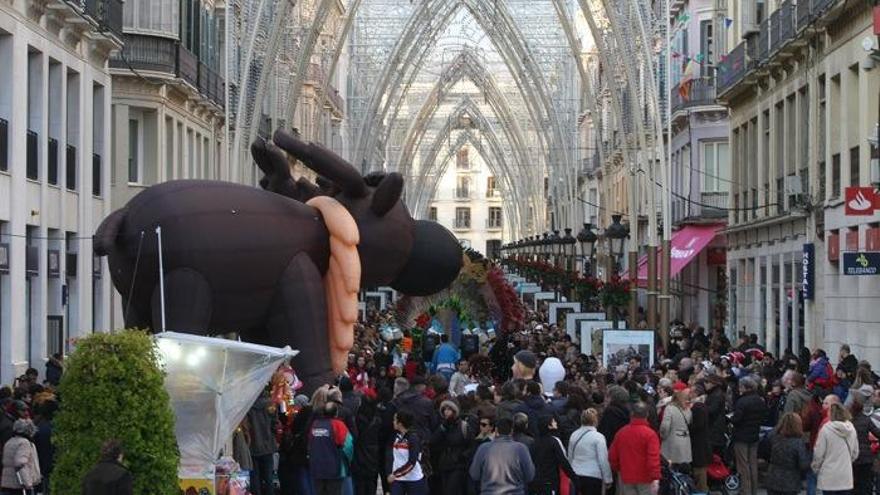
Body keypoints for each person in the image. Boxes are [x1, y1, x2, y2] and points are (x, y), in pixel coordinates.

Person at [468, 417, 535, 495]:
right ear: (511, 431)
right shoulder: (521, 448)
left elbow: (474, 474)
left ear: (496, 430)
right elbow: (530, 476)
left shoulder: (484, 448)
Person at [609, 402, 661, 495]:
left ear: (631, 414)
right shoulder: (650, 434)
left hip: (626, 475)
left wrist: (618, 469)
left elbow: (612, 456)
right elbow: (653, 457)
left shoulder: (621, 432)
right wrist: (655, 476)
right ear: (647, 414)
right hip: (645, 477)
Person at [811, 403, 859, 495]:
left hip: (828, 474)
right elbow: (855, 452)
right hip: (845, 474)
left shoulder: (826, 429)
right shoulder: (851, 429)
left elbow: (819, 453)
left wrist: (816, 467)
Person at [308, 402, 355, 495]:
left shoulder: (315, 424)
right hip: (334, 469)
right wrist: (348, 461)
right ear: (336, 413)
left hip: (317, 468)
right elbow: (348, 446)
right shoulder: (338, 425)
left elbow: (309, 443)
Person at [731, 377, 765, 495]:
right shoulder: (759, 400)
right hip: (754, 434)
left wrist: (731, 418)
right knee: (753, 464)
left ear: (746, 388)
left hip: (741, 436)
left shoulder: (742, 401)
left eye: (741, 386)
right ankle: (753, 490)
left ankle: (746, 491)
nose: (739, 389)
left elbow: (736, 419)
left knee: (743, 466)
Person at [430, 400, 472, 495]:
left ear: (455, 411)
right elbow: (432, 441)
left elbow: (471, 445)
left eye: (449, 409)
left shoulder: (463, 426)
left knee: (451, 490)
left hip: (458, 464)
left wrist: (463, 456)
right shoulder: (442, 426)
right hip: (444, 463)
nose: (446, 411)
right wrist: (442, 428)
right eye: (444, 409)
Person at [568, 408, 612, 495]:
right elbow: (603, 460)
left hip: (576, 473)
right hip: (593, 475)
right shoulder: (598, 437)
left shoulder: (574, 435)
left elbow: (570, 456)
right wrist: (608, 479)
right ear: (596, 421)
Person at [765, 412, 811, 495]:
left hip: (773, 478)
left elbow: (766, 451)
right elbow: (803, 464)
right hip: (790, 482)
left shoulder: (774, 437)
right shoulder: (798, 443)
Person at [529, 416, 575, 495]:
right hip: (550, 482)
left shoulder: (534, 443)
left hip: (536, 481)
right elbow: (563, 461)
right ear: (549, 426)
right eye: (553, 421)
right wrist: (574, 477)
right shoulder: (554, 441)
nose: (556, 423)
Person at [387, 410, 427, 495]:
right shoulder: (395, 436)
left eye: (395, 420)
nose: (393, 422)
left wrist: (395, 474)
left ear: (400, 424)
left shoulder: (413, 438)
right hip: (398, 480)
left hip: (413, 479)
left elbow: (412, 462)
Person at [247, 389, 278, 495]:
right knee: (269, 476)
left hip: (253, 445)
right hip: (268, 445)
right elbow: (275, 423)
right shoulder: (270, 404)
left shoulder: (247, 405)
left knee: (254, 476)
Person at [1, 419, 40, 494]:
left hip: (6, 484)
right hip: (19, 486)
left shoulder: (9, 442)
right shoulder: (24, 443)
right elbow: (20, 463)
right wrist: (27, 483)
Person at [658, 386, 692, 472]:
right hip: (685, 441)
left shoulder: (669, 408)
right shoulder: (688, 409)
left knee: (670, 467)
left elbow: (665, 426)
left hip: (671, 441)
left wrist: (663, 436)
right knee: (682, 467)